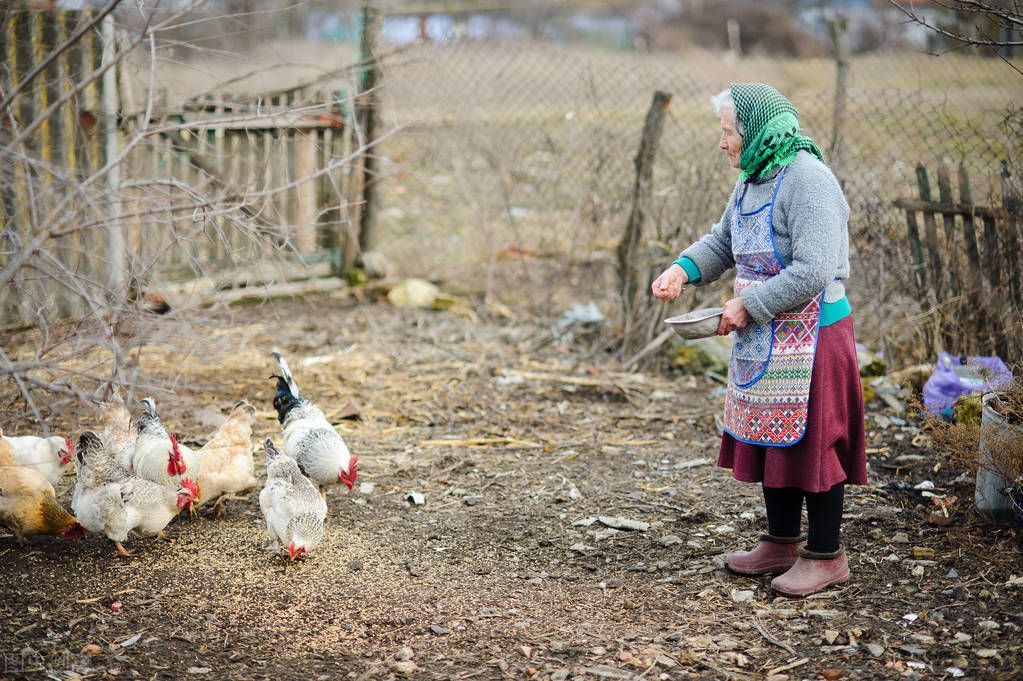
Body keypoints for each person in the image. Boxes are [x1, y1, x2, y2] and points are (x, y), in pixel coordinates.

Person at [651, 83, 867, 597]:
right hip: (767, 332)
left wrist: (748, 305)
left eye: (729, 133)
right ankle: (781, 543)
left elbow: (814, 268)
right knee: (772, 435)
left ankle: (826, 555)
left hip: (815, 333)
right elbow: (724, 240)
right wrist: (683, 269)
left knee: (815, 439)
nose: (722, 143)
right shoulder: (753, 177)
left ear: (758, 133)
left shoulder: (807, 180)